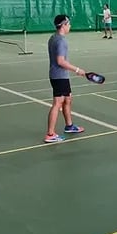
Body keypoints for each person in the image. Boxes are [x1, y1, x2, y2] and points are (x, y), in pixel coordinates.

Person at [44, 15, 86, 143]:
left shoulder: (53, 38)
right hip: (59, 76)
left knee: (68, 99)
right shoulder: (61, 41)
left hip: (60, 76)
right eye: (69, 23)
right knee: (57, 103)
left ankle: (69, 126)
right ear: (63, 25)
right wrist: (77, 70)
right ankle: (50, 134)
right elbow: (61, 61)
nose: (70, 26)